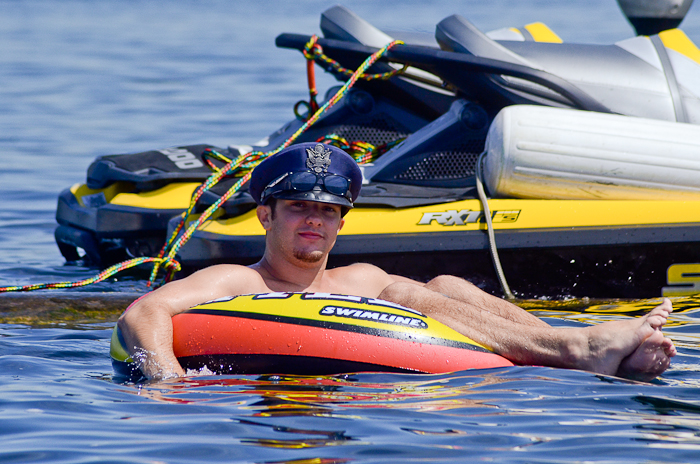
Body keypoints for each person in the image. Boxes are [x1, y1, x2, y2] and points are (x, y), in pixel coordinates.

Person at [118, 142, 676, 382]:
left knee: (445, 282)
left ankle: (582, 346)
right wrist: (168, 383)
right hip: (283, 392)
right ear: (265, 216)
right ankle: (580, 350)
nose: (314, 220)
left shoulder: (359, 279)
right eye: (298, 209)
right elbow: (145, 313)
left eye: (328, 210)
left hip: (376, 391)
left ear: (342, 221)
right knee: (408, 293)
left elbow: (443, 301)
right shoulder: (240, 278)